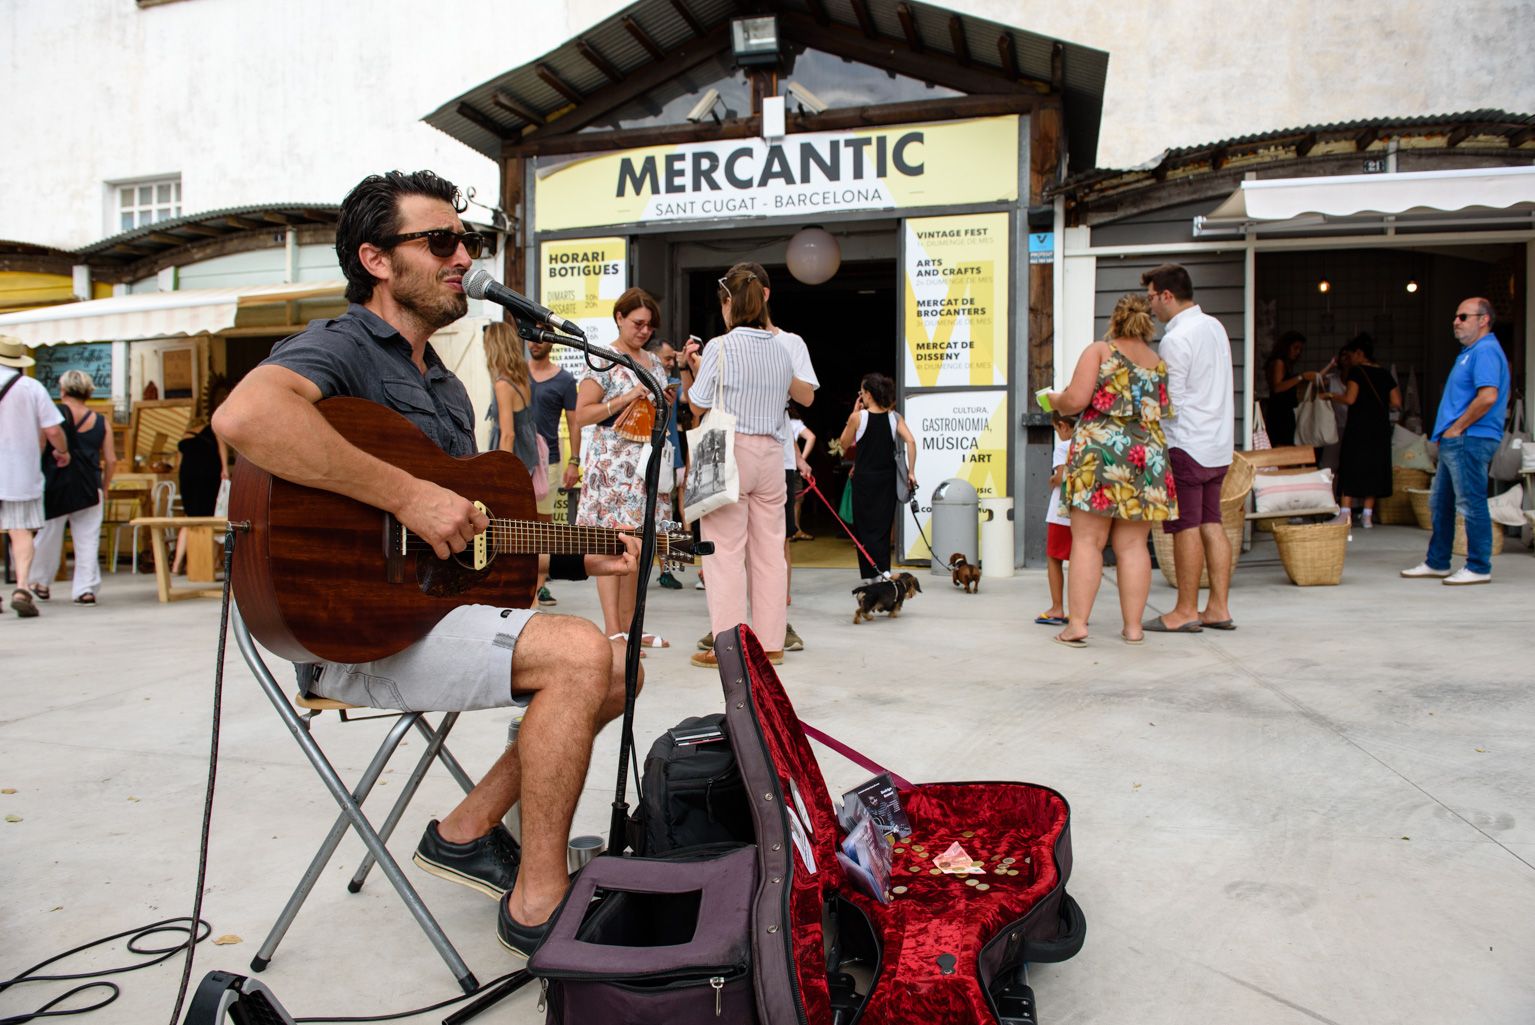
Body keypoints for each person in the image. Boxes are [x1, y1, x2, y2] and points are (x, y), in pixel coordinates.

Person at [212, 169, 642, 958]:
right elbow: (246, 415)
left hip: (421, 614)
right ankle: (538, 899)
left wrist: (578, 556)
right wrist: (407, 494)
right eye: (440, 241)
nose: (462, 256)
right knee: (580, 651)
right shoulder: (341, 345)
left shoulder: (442, 383)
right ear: (377, 260)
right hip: (344, 632)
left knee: (619, 667)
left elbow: (461, 542)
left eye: (466, 241)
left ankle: (465, 826)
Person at [691, 262, 818, 655]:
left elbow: (697, 404)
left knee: (724, 553)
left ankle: (728, 648)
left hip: (727, 448)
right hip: (770, 453)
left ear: (729, 302)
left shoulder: (719, 347)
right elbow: (796, 396)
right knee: (769, 552)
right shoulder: (783, 350)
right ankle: (771, 644)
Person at [1047, 294, 1175, 647]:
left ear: (1114, 321)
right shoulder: (1156, 362)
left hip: (1102, 451)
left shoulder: (1100, 351)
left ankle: (1077, 626)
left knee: (1088, 542)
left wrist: (1056, 400)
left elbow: (1075, 400)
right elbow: (1161, 409)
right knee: (1134, 545)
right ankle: (1133, 628)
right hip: (1145, 454)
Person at [573, 287, 672, 650]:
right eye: (638, 323)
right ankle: (613, 628)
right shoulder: (603, 358)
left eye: (650, 326)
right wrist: (626, 397)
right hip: (612, 466)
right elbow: (583, 413)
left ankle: (632, 627)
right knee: (611, 545)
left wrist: (665, 402)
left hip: (645, 463)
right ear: (619, 318)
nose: (644, 331)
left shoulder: (654, 362)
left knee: (641, 544)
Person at [1141, 264, 1236, 633]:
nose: (1150, 307)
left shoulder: (1176, 339)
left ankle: (1185, 609)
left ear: (1167, 295)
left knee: (1185, 527)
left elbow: (1171, 403)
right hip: (1219, 444)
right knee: (1212, 522)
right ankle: (1219, 608)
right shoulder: (1215, 326)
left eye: (1151, 297)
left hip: (1187, 444)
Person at [1402, 297, 1511, 585]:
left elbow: (1488, 396)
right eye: (1456, 316)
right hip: (1460, 440)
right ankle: (1437, 562)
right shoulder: (1471, 351)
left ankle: (1478, 566)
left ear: (1484, 319)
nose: (1455, 321)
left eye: (1463, 316)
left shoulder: (1485, 350)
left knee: (1471, 502)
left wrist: (1457, 429)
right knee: (1442, 502)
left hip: (1469, 439)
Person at [30, 370, 116, 604]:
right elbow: (111, 459)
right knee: (88, 538)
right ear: (88, 392)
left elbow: (40, 445)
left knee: (48, 534)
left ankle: (40, 582)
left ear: (64, 390)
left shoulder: (53, 414)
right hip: (89, 485)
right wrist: (105, 487)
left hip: (55, 482)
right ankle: (85, 589)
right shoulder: (101, 421)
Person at [0, 336, 71, 618]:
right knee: (20, 531)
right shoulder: (31, 387)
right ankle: (21, 588)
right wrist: (63, 451)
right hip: (20, 472)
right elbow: (53, 430)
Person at [837, 373, 917, 583]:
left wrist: (852, 414)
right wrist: (911, 471)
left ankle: (870, 576)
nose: (861, 396)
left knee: (864, 529)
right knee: (882, 529)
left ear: (869, 394)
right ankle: (884, 572)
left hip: (864, 481)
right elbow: (911, 441)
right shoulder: (894, 417)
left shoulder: (858, 417)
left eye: (862, 393)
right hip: (887, 480)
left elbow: (843, 445)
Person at [526, 332, 580, 606]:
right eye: (530, 336)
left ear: (551, 341)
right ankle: (519, 583)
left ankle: (539, 586)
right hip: (518, 458)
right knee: (514, 522)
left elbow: (574, 423)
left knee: (542, 527)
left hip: (551, 461)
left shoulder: (565, 381)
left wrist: (575, 461)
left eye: (540, 335)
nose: (534, 341)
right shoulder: (515, 372)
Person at [1327, 334, 1401, 527]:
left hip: (1359, 427)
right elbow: (1396, 402)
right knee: (1374, 467)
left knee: (1351, 465)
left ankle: (1345, 514)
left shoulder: (1356, 372)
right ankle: (1367, 516)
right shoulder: (1385, 374)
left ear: (1359, 353)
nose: (1349, 360)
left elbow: (1350, 399)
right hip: (1379, 428)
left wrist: (1331, 395)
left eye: (1351, 355)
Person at [172, 384, 231, 575]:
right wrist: (224, 469)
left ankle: (176, 565)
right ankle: (209, 563)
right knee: (210, 518)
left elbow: (178, 461)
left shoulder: (185, 435)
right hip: (207, 474)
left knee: (191, 519)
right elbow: (222, 447)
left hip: (187, 476)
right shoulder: (212, 427)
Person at [1036, 413, 1075, 627]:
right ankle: (1079, 610)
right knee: (1080, 560)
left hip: (1061, 513)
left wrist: (1053, 478)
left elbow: (1061, 477)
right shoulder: (1088, 442)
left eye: (1057, 430)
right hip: (1082, 513)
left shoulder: (1063, 446)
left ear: (1063, 426)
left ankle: (1057, 607)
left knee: (1054, 558)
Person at [1261, 331, 1320, 447]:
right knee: (1282, 447)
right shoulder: (1279, 362)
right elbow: (1277, 387)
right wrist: (1301, 377)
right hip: (1280, 413)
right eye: (1295, 348)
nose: (1298, 352)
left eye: (1300, 350)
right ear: (1286, 346)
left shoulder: (1285, 364)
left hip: (1285, 412)